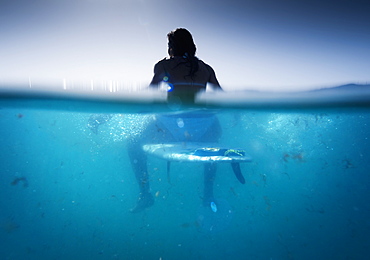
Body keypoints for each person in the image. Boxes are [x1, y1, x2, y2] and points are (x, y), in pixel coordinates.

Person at [128, 28, 223, 213]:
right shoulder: (206, 69)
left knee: (133, 144)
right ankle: (209, 196)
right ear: (193, 46)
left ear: (171, 47)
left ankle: (145, 194)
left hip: (171, 124)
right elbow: (222, 98)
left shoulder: (164, 66)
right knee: (212, 148)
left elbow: (150, 94)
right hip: (202, 126)